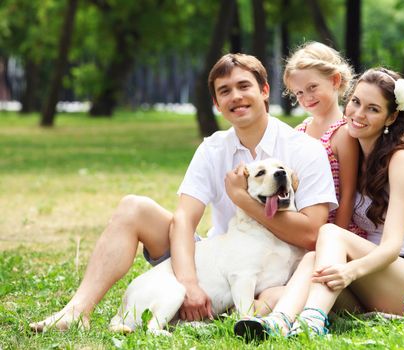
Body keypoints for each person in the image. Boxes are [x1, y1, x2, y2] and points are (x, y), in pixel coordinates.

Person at [30, 53, 338, 332]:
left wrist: (241, 198)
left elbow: (312, 234)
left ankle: (235, 313)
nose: (236, 96)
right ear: (217, 104)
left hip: (274, 268)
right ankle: (76, 311)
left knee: (276, 299)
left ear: (265, 91)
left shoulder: (303, 150)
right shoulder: (213, 148)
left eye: (244, 86)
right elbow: (183, 220)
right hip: (215, 260)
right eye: (225, 91)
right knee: (133, 207)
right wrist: (189, 283)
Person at [234, 67, 404, 340]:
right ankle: (279, 322)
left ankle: (312, 322)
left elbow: (392, 247)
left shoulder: (403, 160)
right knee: (310, 262)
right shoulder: (356, 156)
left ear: (391, 116)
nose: (358, 114)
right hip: (375, 280)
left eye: (372, 109)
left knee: (330, 233)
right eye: (356, 102)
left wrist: (349, 270)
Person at [283, 42, 366, 237]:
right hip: (304, 227)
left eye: (312, 87)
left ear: (335, 80)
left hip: (336, 230)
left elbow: (348, 196)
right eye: (299, 93)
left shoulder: (344, 133)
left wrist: (332, 239)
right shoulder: (299, 131)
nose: (306, 98)